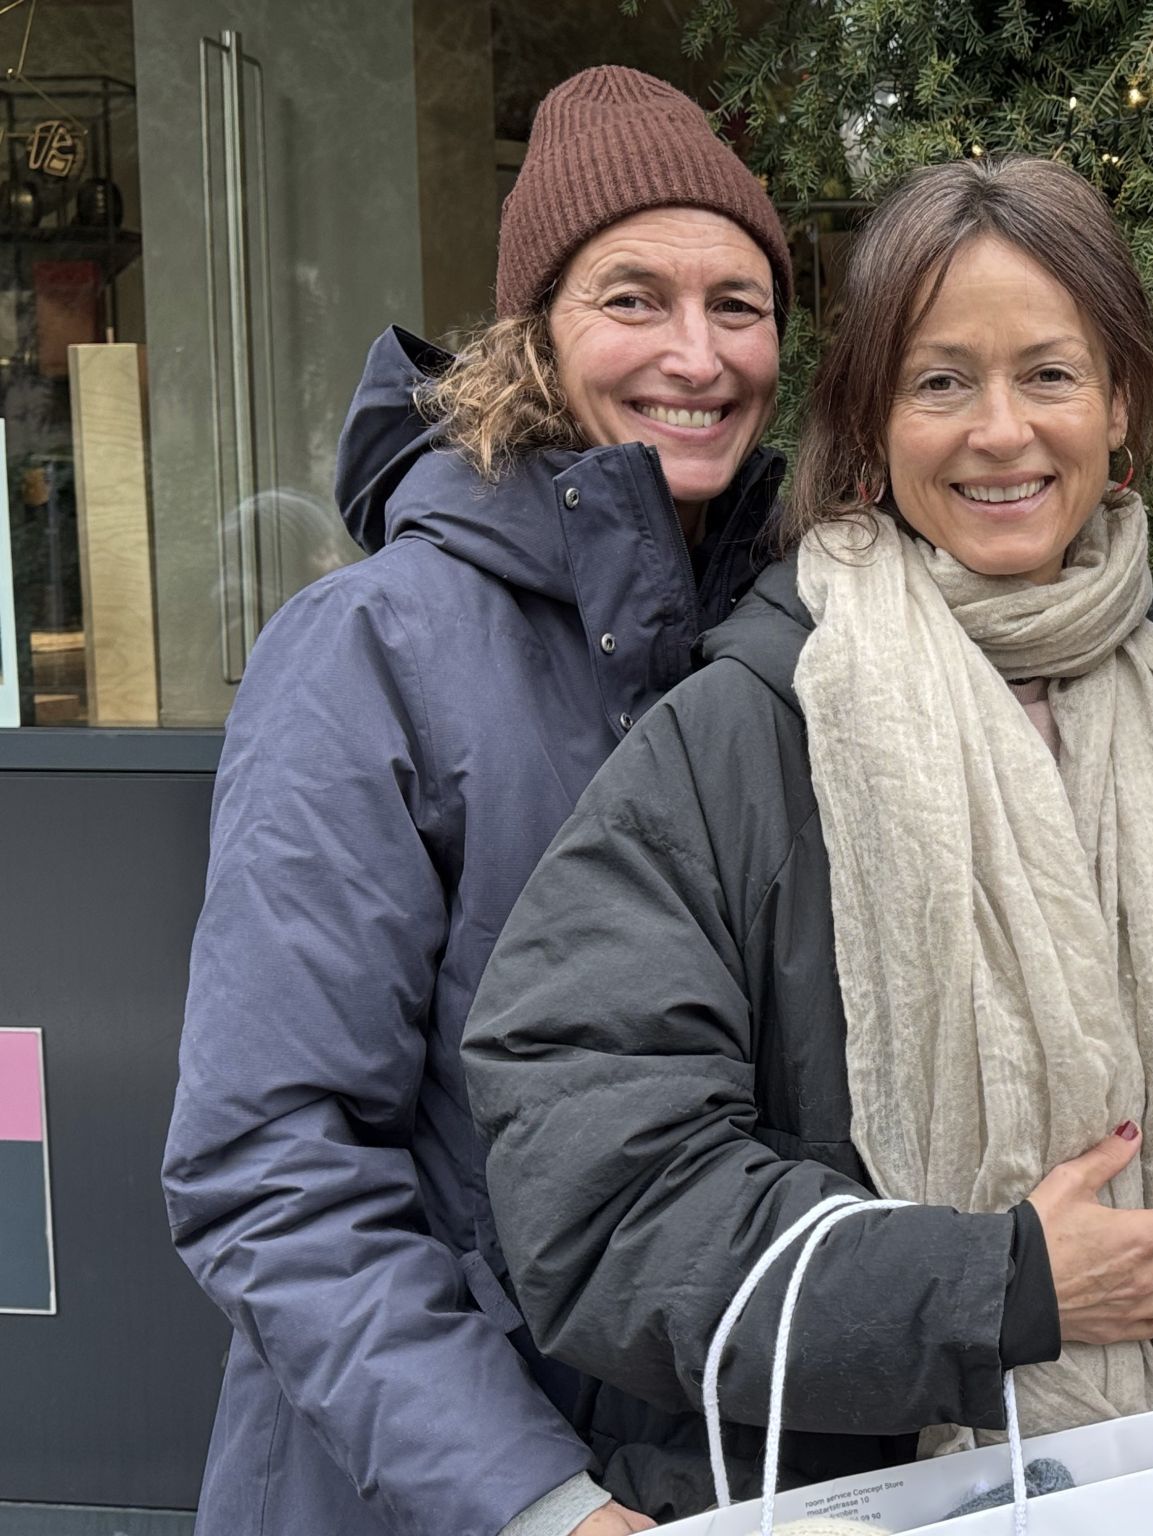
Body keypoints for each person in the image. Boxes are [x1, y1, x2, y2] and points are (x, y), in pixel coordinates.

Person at [461, 155, 1153, 1525]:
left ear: (1122, 410)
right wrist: (996, 1287)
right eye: (940, 383)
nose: (1000, 431)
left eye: (1049, 374)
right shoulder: (744, 734)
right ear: (868, 423)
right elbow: (599, 1198)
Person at [161, 66, 792, 1536]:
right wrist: (538, 1501)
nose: (695, 355)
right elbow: (271, 1161)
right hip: (426, 1493)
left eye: (739, 305)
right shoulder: (370, 651)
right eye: (632, 298)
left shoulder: (778, 638)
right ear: (534, 333)